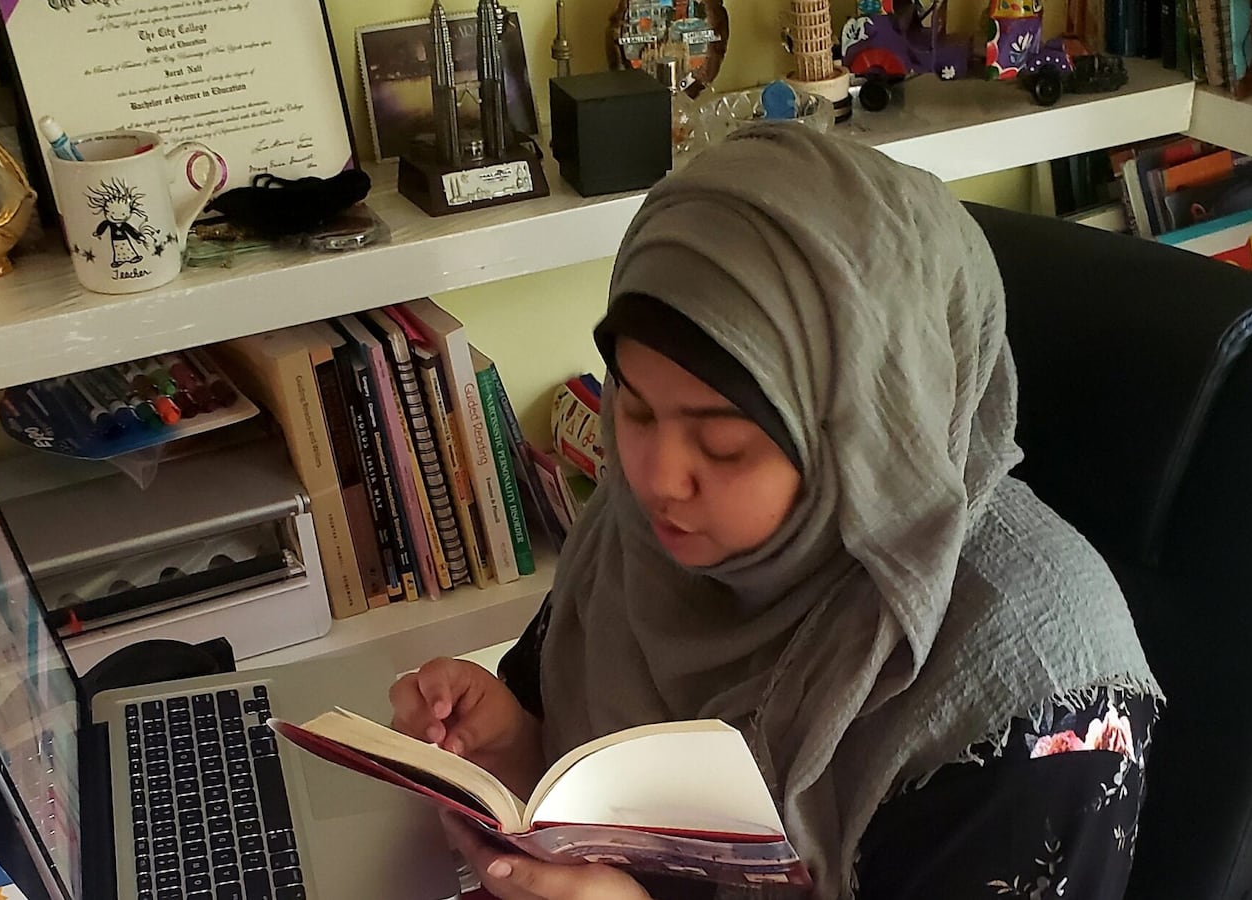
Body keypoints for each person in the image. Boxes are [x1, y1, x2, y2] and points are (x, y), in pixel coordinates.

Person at [390, 126, 1161, 900]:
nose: (658, 477)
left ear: (866, 437)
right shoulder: (650, 530)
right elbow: (574, 776)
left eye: (723, 445)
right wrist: (516, 749)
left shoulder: (1045, 712)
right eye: (636, 406)